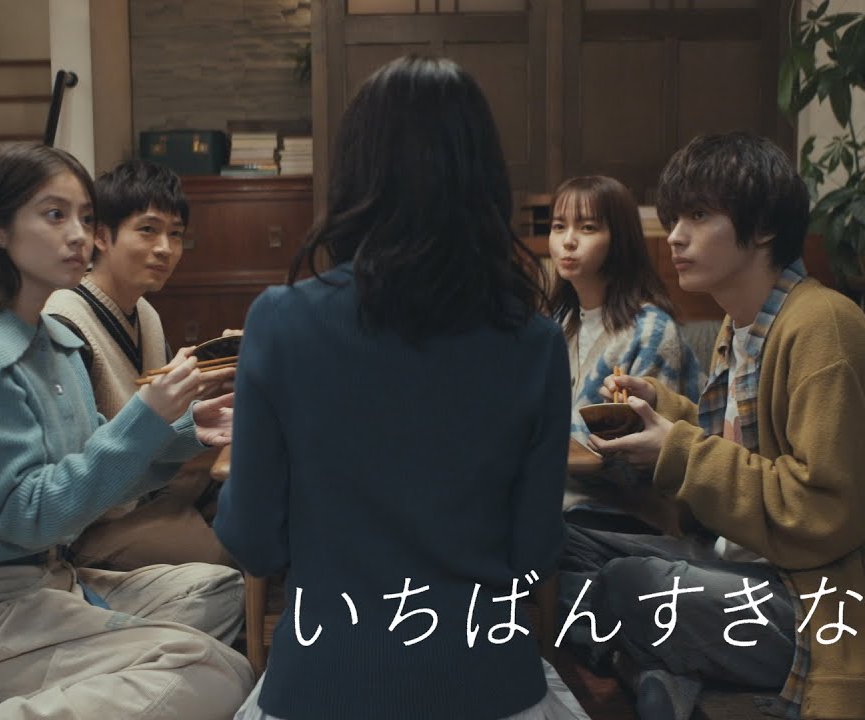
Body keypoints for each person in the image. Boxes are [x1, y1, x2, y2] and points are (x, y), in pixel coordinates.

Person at [213, 55, 588, 720]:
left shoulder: (280, 322)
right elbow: (536, 555)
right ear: (485, 179)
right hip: (488, 685)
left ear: (355, 174)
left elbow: (253, 542)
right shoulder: (535, 344)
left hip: (321, 685)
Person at [559, 132, 865, 720]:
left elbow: (825, 514)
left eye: (699, 216)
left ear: (763, 230)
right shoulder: (743, 326)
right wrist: (666, 411)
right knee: (556, 540)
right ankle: (663, 663)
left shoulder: (823, 329)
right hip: (738, 560)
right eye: (676, 218)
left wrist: (677, 451)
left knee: (630, 583)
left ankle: (653, 662)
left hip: (818, 601)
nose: (675, 235)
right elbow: (739, 450)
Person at [0, 142, 253, 719]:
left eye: (85, 217)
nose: (79, 235)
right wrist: (147, 417)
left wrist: (184, 431)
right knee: (213, 671)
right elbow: (29, 515)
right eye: (55, 215)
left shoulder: (54, 343)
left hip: (56, 583)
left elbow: (98, 475)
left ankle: (82, 678)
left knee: (224, 592)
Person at [45, 158, 233, 569]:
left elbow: (162, 429)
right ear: (101, 236)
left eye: (175, 234)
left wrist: (199, 401)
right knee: (225, 561)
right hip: (93, 519)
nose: (165, 248)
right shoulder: (64, 321)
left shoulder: (145, 314)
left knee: (253, 502)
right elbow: (74, 463)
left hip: (146, 489)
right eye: (148, 230)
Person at [546, 175, 701, 512]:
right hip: (551, 500)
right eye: (558, 227)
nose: (568, 241)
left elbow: (645, 464)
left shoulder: (652, 331)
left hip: (617, 513)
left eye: (587, 228)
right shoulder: (554, 324)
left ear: (619, 238)